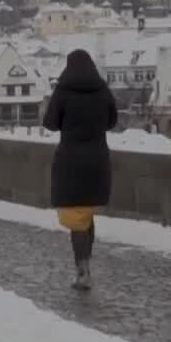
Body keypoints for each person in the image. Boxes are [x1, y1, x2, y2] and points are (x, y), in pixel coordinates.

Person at [42, 49, 118, 291]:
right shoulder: (102, 90)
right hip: (97, 160)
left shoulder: (63, 91)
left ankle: (82, 270)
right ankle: (86, 264)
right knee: (85, 214)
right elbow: (112, 121)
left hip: (71, 162)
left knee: (76, 217)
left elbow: (51, 123)